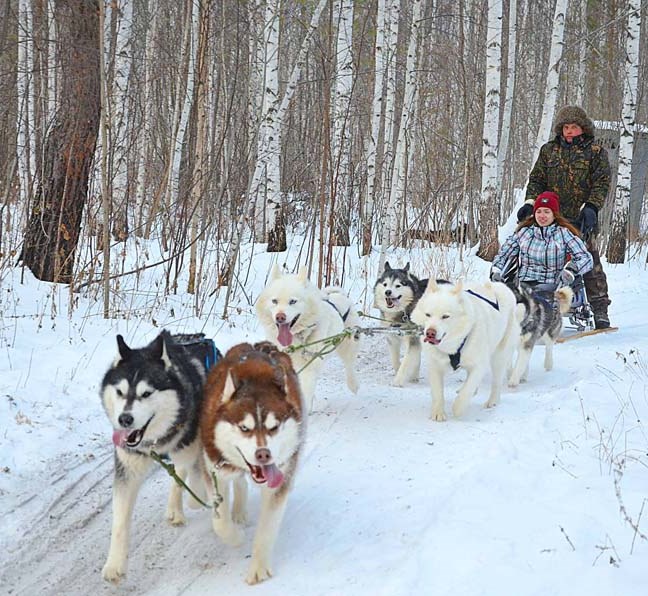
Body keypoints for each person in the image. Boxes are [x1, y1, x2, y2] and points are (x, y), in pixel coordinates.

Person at [516, 106, 612, 329]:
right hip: (550, 215)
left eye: (574, 127)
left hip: (580, 216)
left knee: (589, 260)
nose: (569, 131)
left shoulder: (596, 152)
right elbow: (537, 180)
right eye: (566, 127)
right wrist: (531, 203)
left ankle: (600, 309)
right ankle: (526, 302)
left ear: (583, 128)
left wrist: (591, 207)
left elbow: (602, 183)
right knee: (530, 254)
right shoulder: (549, 151)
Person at [492, 191, 593, 295]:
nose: (542, 215)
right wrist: (496, 270)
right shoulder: (524, 232)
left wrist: (572, 269)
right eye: (539, 211)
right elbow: (504, 253)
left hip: (552, 287)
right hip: (525, 286)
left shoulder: (563, 234)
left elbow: (585, 258)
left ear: (554, 215)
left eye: (546, 212)